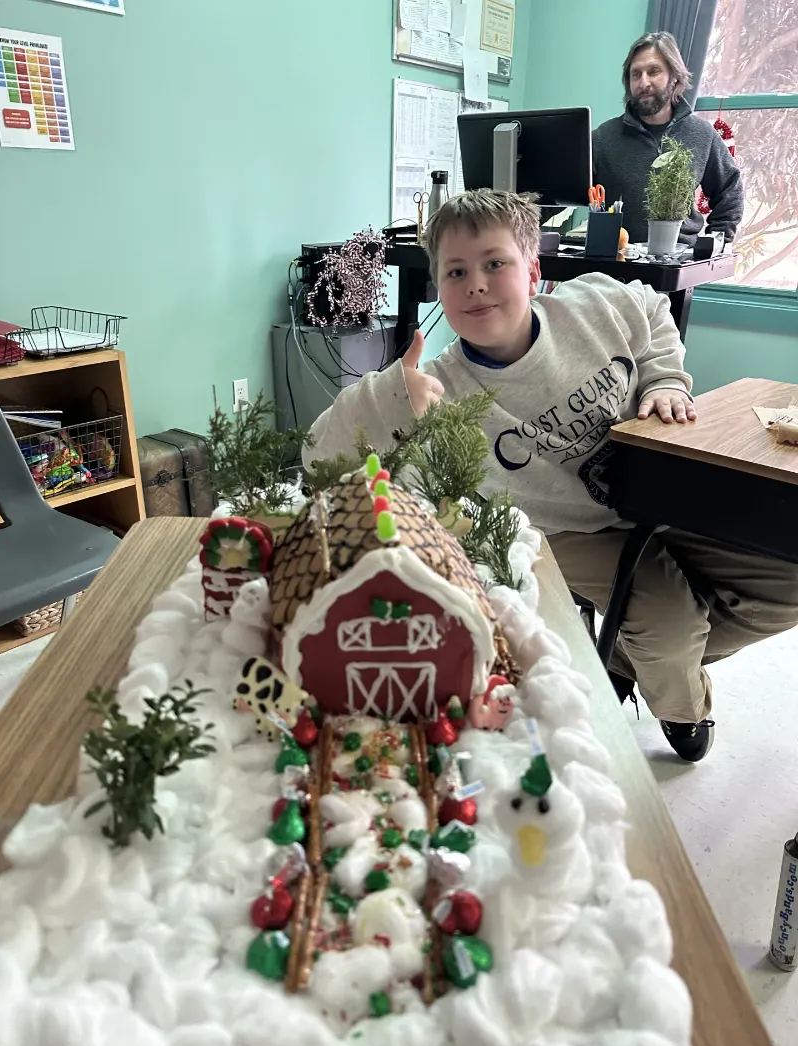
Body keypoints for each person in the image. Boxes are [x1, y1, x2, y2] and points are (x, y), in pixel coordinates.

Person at [304, 189, 798, 763]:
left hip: (662, 492)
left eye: (495, 263)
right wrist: (389, 398)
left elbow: (652, 312)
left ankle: (617, 657)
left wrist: (665, 379)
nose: (476, 284)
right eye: (456, 272)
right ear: (437, 285)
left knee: (786, 569)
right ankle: (682, 705)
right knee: (670, 623)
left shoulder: (593, 304)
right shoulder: (439, 389)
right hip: (568, 530)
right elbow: (319, 456)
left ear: (534, 271)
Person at [592, 31, 744, 246]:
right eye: (636, 74)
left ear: (674, 77)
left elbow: (730, 190)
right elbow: (561, 191)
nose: (643, 82)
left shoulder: (702, 135)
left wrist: (715, 244)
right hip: (618, 260)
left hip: (679, 261)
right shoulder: (602, 138)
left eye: (653, 71)